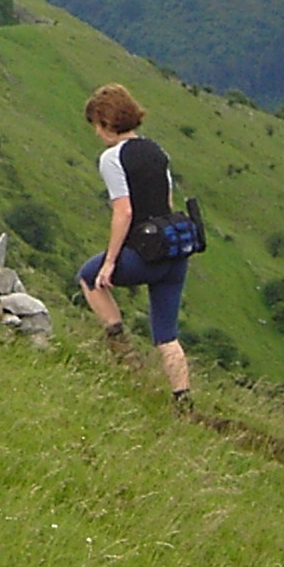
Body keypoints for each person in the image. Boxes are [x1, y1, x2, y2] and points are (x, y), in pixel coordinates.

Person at [78, 83, 192, 409]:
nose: (96, 133)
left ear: (107, 122)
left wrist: (111, 262)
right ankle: (183, 402)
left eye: (97, 125)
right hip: (174, 251)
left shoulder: (112, 158)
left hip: (145, 254)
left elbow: (124, 211)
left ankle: (123, 352)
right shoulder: (157, 151)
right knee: (167, 336)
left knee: (89, 276)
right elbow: (167, 202)